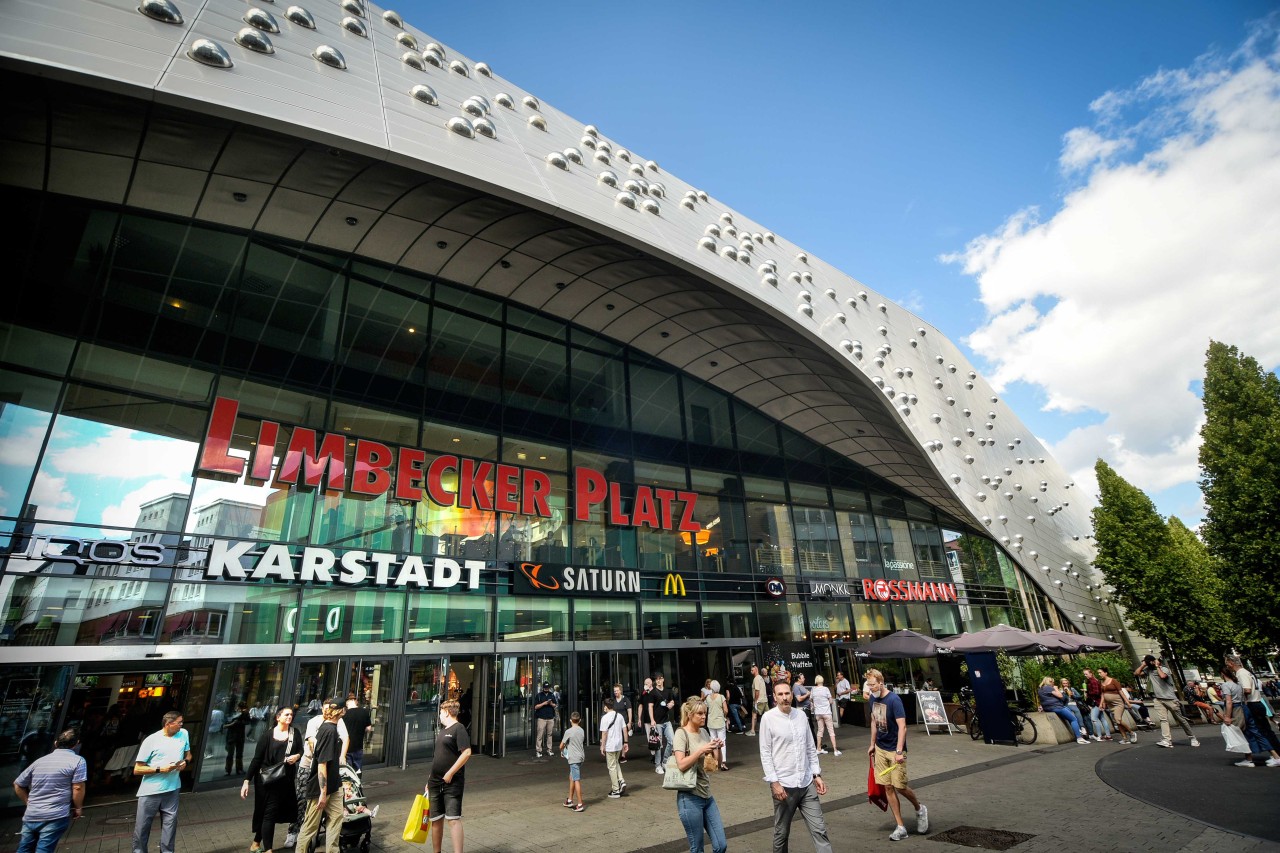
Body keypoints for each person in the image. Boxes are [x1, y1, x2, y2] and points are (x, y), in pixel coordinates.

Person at [759, 679, 832, 853]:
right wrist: (774, 782)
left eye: (787, 693)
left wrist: (816, 774)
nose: (785, 697)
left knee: (819, 830)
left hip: (806, 783)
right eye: (780, 694)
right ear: (775, 697)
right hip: (784, 786)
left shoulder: (800, 716)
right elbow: (765, 753)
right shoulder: (768, 719)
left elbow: (809, 747)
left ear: (792, 695)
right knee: (781, 834)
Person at [865, 669, 928, 842]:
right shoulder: (872, 699)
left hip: (895, 750)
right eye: (868, 685)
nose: (870, 689)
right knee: (888, 787)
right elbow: (873, 722)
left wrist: (899, 751)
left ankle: (919, 808)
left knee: (900, 786)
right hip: (880, 748)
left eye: (873, 685)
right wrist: (872, 744)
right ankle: (900, 827)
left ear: (881, 682)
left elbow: (903, 727)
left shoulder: (894, 700)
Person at [12, 728, 85, 853]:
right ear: (76, 744)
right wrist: (78, 807)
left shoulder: (39, 761)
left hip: (31, 814)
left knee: (24, 849)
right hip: (55, 815)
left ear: (56, 743)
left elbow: (18, 784)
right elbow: (77, 787)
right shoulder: (78, 761)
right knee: (44, 849)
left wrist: (28, 802)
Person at [289, 697, 350, 847]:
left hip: (334, 784)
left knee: (336, 818)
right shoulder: (328, 731)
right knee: (310, 825)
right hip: (320, 787)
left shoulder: (332, 727)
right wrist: (323, 792)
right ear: (341, 711)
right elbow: (322, 764)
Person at [241, 706, 303, 853]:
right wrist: (246, 781)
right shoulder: (267, 736)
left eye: (291, 715)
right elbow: (256, 759)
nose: (289, 717)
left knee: (270, 812)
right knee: (269, 812)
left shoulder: (295, 733)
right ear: (278, 717)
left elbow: (301, 750)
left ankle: (256, 842)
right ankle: (268, 849)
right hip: (266, 780)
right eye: (286, 714)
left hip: (284, 780)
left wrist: (297, 756)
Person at [671, 697, 728, 853]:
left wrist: (716, 747)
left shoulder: (704, 732)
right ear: (690, 715)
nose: (704, 717)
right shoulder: (681, 734)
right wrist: (701, 750)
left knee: (721, 845)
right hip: (689, 797)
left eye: (705, 713)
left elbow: (715, 765)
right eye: (700, 714)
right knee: (697, 848)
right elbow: (681, 764)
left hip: (707, 795)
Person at [132, 711, 191, 853]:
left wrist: (185, 762)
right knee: (142, 827)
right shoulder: (151, 740)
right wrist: (160, 769)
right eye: (179, 722)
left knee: (170, 826)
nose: (181, 725)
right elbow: (137, 769)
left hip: (173, 789)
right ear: (168, 724)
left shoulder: (183, 733)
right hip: (151, 791)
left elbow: (188, 754)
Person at [427, 699, 472, 853]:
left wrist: (450, 772)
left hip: (452, 782)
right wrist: (429, 779)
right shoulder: (442, 731)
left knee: (453, 819)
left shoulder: (459, 729)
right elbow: (438, 757)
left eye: (440, 712)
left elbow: (466, 752)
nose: (439, 716)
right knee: (435, 820)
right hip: (435, 781)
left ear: (446, 712)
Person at [1221, 662, 1280, 768]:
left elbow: (1229, 702)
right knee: (1256, 732)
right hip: (1245, 708)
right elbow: (1245, 695)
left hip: (1236, 709)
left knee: (1241, 734)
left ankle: (1249, 759)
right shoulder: (1238, 684)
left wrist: (1227, 716)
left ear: (1222, 674)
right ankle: (1275, 756)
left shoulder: (1226, 685)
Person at [1134, 655, 1198, 748]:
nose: (1149, 663)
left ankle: (1192, 737)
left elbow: (1163, 676)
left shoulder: (1164, 669)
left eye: (1150, 661)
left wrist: (1157, 666)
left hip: (1170, 699)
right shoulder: (1148, 670)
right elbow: (1136, 673)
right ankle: (1167, 740)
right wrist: (1143, 664)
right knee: (1163, 720)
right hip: (1158, 699)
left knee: (1181, 720)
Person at [1037, 677, 1089, 744]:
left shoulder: (1040, 689)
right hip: (1056, 707)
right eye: (1053, 682)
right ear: (1050, 682)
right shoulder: (1049, 687)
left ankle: (1078, 729)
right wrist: (1056, 688)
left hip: (1048, 708)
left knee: (1067, 709)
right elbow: (1060, 696)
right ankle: (1079, 737)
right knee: (1073, 719)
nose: (1053, 683)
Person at [1097, 667, 1136, 744]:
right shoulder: (1101, 682)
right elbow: (1102, 694)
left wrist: (1127, 702)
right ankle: (1124, 738)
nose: (1099, 674)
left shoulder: (1113, 681)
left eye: (1100, 672)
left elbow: (1121, 692)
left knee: (1117, 719)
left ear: (1105, 673)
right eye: (1098, 673)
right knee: (1118, 722)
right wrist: (1101, 703)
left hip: (1118, 703)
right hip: (1110, 704)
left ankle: (1132, 733)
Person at [599, 697, 628, 798]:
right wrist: (626, 742)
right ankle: (621, 780)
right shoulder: (619, 716)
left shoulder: (604, 718)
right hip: (619, 744)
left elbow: (604, 733)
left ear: (606, 707)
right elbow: (625, 729)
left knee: (611, 767)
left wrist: (602, 746)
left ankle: (615, 789)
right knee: (616, 763)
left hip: (610, 745)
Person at [649, 674, 677, 773]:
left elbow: (672, 701)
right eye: (656, 679)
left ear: (663, 679)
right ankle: (658, 765)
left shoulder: (667, 691)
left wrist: (671, 704)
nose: (658, 681)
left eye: (660, 679)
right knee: (658, 744)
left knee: (672, 741)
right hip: (657, 722)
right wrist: (652, 720)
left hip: (666, 721)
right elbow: (650, 706)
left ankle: (665, 761)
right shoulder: (652, 693)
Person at [559, 711, 586, 812]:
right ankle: (570, 800)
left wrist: (563, 750)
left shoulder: (568, 731)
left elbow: (561, 745)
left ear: (570, 720)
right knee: (572, 777)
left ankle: (580, 804)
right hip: (581, 756)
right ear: (579, 720)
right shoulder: (582, 730)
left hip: (573, 758)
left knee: (576, 779)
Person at [342, 694, 374, 772]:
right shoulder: (364, 712)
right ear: (354, 701)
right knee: (358, 770)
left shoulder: (344, 714)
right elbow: (369, 728)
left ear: (347, 703)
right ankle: (358, 782)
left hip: (346, 747)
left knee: (348, 771)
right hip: (358, 746)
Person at [810, 675, 839, 756]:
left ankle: (818, 748)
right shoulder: (825, 689)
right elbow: (830, 701)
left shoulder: (813, 689)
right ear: (822, 680)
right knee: (831, 731)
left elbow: (811, 699)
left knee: (820, 731)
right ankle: (835, 750)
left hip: (818, 713)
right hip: (826, 712)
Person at [1081, 668, 1113, 741]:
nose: (1085, 675)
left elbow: (1096, 692)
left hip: (1095, 702)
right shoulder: (1094, 681)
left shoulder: (1092, 681)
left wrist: (1087, 692)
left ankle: (1099, 736)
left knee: (1094, 719)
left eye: (1086, 674)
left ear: (1091, 673)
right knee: (1102, 718)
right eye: (1084, 674)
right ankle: (1108, 735)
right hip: (1099, 702)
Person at [705, 681, 730, 771]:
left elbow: (706, 709)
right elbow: (726, 710)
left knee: (713, 742)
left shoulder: (708, 698)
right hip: (720, 722)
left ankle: (715, 762)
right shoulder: (721, 697)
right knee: (722, 742)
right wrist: (724, 716)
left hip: (711, 722)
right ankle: (723, 762)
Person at [533, 681, 557, 759]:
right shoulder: (539, 695)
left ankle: (549, 750)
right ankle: (538, 751)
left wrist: (551, 704)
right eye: (545, 688)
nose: (546, 689)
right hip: (541, 718)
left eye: (547, 688)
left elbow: (555, 705)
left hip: (550, 717)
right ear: (543, 687)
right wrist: (544, 703)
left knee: (549, 734)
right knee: (540, 734)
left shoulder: (552, 695)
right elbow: (535, 707)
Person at [225, 702, 249, 776]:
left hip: (235, 736)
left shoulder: (244, 714)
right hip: (235, 736)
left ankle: (231, 770)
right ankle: (236, 769)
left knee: (233, 754)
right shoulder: (235, 714)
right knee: (234, 754)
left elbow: (247, 721)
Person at [611, 683, 633, 761]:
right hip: (615, 723)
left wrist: (630, 722)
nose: (615, 692)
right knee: (617, 739)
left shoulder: (625, 700)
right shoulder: (613, 701)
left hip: (624, 722)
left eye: (617, 691)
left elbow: (629, 710)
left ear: (620, 691)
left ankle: (623, 755)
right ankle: (617, 754)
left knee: (624, 739)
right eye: (614, 691)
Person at [747, 664, 767, 737]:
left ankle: (752, 730)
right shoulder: (761, 678)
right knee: (767, 715)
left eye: (752, 670)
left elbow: (757, 691)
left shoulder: (756, 679)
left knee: (754, 715)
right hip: (764, 700)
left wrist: (755, 701)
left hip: (759, 700)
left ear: (756, 670)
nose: (751, 671)